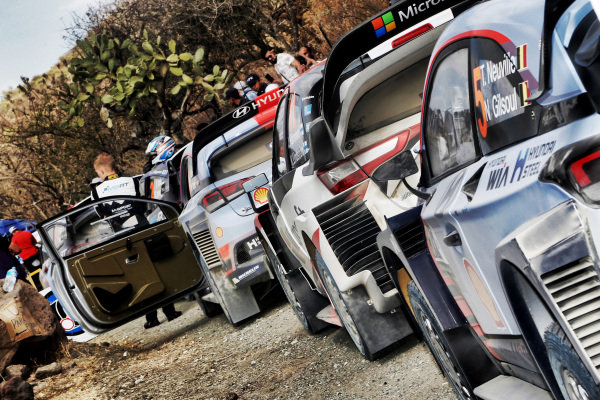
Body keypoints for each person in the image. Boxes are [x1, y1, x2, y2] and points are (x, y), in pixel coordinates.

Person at [92, 152, 181, 329]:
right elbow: (144, 203)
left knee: (137, 274)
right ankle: (170, 311)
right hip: (143, 228)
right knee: (157, 267)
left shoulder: (97, 191)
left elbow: (100, 214)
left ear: (101, 171)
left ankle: (151, 318)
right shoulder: (131, 181)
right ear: (114, 167)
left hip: (123, 237)